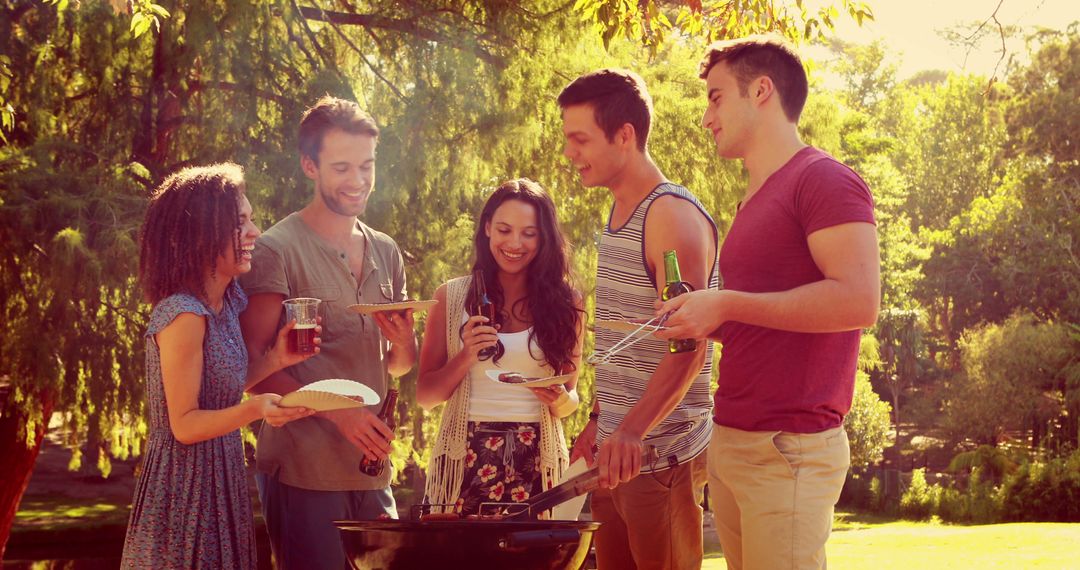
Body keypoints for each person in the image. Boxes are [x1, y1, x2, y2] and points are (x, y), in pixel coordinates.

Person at [656, 35, 881, 570]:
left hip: (787, 449)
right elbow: (764, 317)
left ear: (761, 90)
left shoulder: (824, 179)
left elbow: (858, 300)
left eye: (715, 97)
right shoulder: (756, 199)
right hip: (733, 440)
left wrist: (728, 304)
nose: (707, 116)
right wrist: (704, 316)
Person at [237, 96, 418, 570]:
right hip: (303, 471)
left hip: (372, 473)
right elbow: (252, 371)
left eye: (366, 165)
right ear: (309, 166)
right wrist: (340, 416)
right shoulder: (276, 250)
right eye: (341, 167)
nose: (358, 181)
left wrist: (403, 341)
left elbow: (397, 365)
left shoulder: (387, 250)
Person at [558, 69, 719, 570]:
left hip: (661, 455)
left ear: (624, 135)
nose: (570, 153)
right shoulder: (618, 212)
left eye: (580, 139)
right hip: (620, 451)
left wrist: (631, 429)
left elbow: (690, 346)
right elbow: (631, 339)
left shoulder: (669, 215)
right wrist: (601, 420)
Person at [121, 163, 317, 569]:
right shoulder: (183, 313)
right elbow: (186, 424)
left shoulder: (227, 303)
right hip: (183, 490)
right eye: (239, 223)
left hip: (220, 476)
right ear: (202, 235)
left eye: (250, 219)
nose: (254, 232)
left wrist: (276, 359)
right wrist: (257, 409)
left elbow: (217, 392)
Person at [418, 178, 583, 516]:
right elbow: (426, 397)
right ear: (488, 228)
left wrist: (561, 399)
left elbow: (570, 400)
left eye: (529, 233)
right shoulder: (449, 298)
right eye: (505, 229)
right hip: (463, 456)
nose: (515, 243)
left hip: (539, 458)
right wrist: (465, 356)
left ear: (544, 238)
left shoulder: (567, 302)